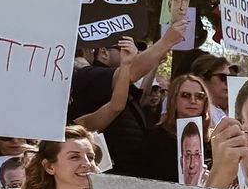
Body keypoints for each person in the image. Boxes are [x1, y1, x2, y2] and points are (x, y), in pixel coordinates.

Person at [67, 20, 186, 176]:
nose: (135, 53)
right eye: (124, 48)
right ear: (104, 52)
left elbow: (126, 98)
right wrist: (166, 42)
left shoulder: (121, 87)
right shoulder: (88, 75)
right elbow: (119, 100)